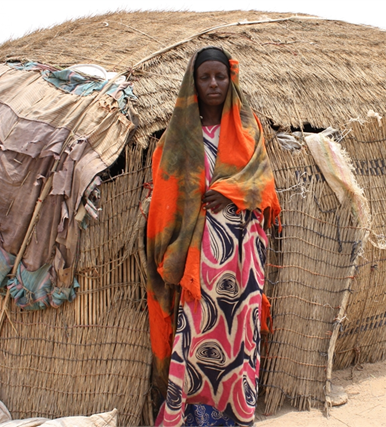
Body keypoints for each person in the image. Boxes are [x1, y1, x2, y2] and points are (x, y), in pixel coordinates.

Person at [146, 46, 281, 426]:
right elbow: (164, 189)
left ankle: (236, 414)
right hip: (197, 257)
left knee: (241, 331)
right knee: (196, 329)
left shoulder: (247, 126)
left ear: (230, 79)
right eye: (205, 77)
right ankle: (189, 416)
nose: (213, 84)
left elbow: (265, 186)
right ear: (194, 82)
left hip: (243, 251)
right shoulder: (178, 137)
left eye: (219, 76)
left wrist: (230, 191)